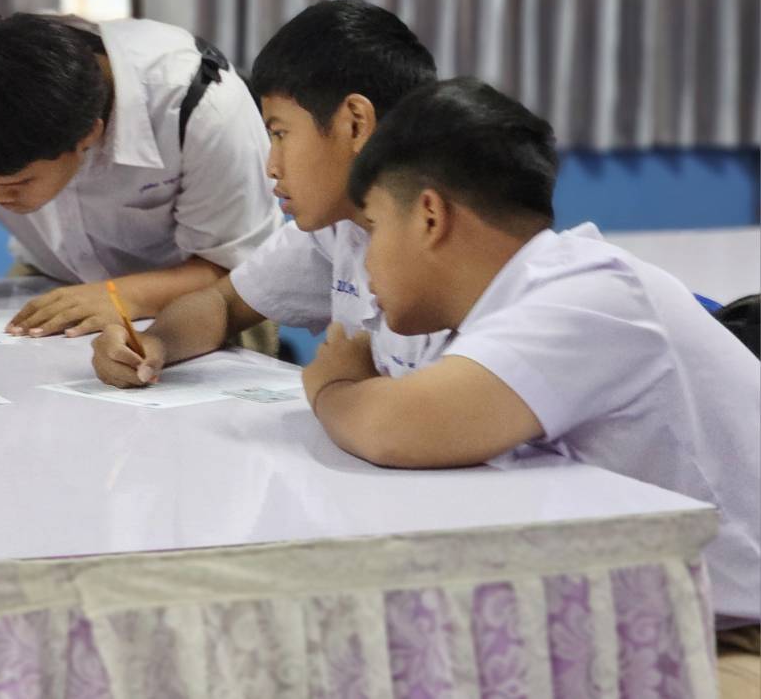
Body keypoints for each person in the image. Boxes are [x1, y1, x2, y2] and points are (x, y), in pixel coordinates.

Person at [303, 77, 760, 692]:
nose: (367, 263)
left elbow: (400, 428)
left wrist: (331, 386)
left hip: (734, 634)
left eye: (375, 228)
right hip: (661, 607)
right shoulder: (503, 306)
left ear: (431, 216)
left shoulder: (588, 293)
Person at [93, 0, 446, 388]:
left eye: (280, 133)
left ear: (356, 124)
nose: (271, 165)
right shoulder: (336, 228)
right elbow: (222, 304)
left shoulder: (455, 246)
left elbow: (435, 431)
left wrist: (332, 387)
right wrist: (152, 344)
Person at [0, 12, 282, 336]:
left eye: (17, 184)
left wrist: (120, 297)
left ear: (89, 135)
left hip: (203, 299)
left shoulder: (199, 105)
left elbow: (240, 270)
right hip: (55, 283)